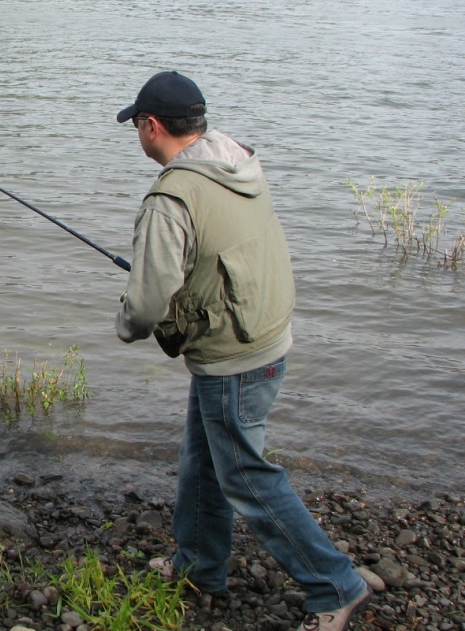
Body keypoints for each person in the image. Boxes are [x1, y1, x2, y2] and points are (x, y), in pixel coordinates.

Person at [114, 71, 371, 631]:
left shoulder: (171, 197)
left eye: (136, 123)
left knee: (248, 477)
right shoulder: (235, 162)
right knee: (203, 459)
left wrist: (126, 323)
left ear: (151, 126)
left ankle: (335, 585)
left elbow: (147, 303)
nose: (137, 133)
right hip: (267, 335)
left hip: (234, 358)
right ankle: (201, 565)